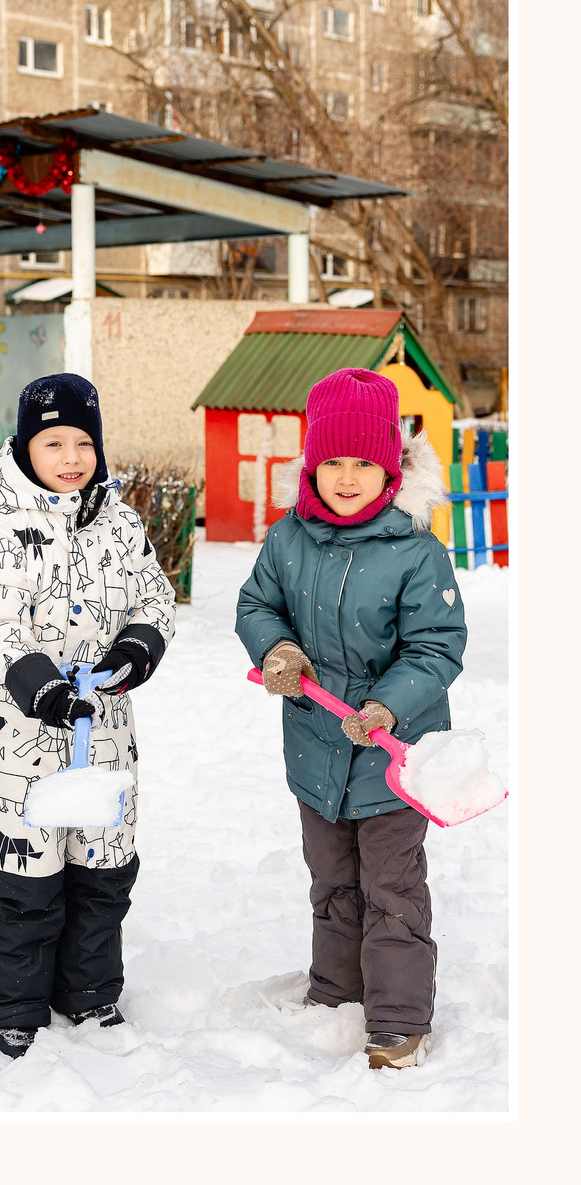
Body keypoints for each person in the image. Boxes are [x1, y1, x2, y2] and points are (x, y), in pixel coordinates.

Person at [236, 368, 464, 1070]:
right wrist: (275, 646)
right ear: (313, 463)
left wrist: (388, 702)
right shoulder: (288, 538)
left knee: (390, 887)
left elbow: (437, 645)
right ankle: (336, 993)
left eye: (363, 461)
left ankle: (396, 1019)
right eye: (332, 460)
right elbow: (256, 604)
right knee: (332, 880)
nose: (346, 475)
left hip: (393, 757)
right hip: (316, 752)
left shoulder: (416, 550)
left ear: (389, 467)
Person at [0, 373, 176, 1060]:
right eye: (55, 441)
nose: (72, 455)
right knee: (27, 880)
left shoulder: (122, 524)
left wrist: (138, 646)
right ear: (27, 448)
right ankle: (15, 1004)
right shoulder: (3, 531)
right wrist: (41, 686)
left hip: (105, 731)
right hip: (21, 740)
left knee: (102, 872)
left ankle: (89, 992)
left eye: (84, 441)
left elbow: (155, 597)